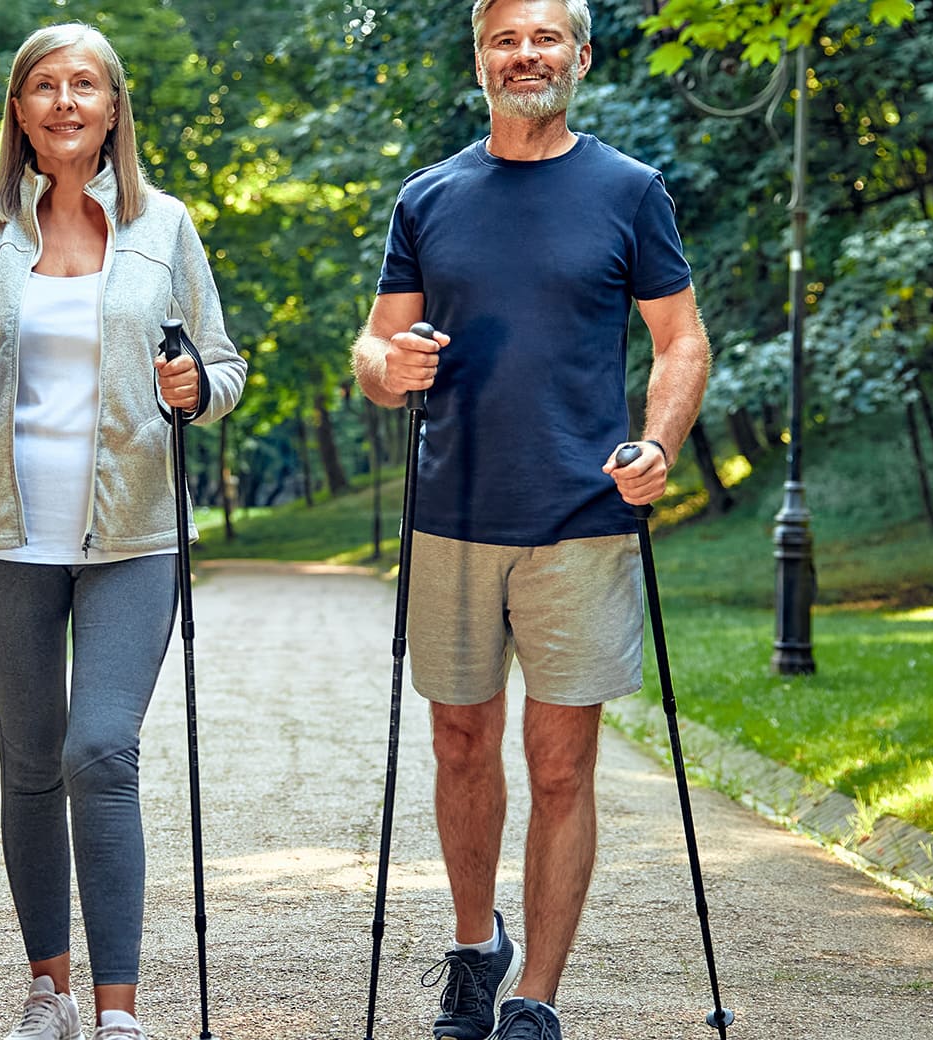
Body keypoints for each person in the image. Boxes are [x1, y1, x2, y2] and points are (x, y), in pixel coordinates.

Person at [347, 0, 714, 1037]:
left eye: (545, 36)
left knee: (563, 764)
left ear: (581, 57)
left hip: (584, 514)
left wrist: (660, 443)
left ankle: (536, 996)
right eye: (505, 39)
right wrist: (393, 365)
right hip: (451, 513)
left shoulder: (630, 192)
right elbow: (373, 353)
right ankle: (476, 946)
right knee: (462, 742)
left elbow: (681, 340)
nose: (526, 55)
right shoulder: (429, 197)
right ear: (480, 61)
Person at [0, 22, 246, 1040]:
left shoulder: (165, 228)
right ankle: (47, 988)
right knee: (29, 758)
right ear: (19, 111)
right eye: (44, 86)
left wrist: (195, 389)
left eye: (83, 85)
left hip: (134, 532)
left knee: (102, 747)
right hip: (2, 534)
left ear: (112, 110)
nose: (63, 101)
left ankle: (118, 1007)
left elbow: (222, 369)